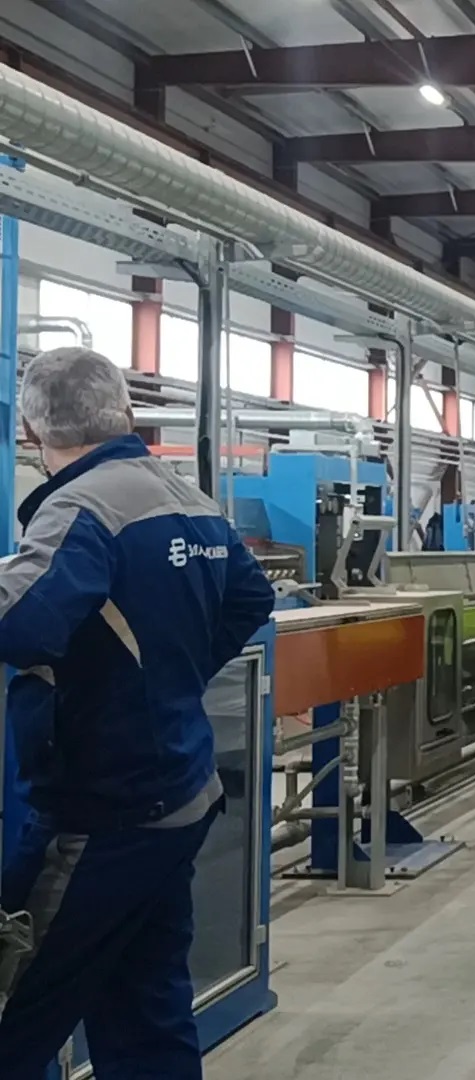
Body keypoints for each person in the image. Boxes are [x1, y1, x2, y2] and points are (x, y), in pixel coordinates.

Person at [0, 347, 276, 1078]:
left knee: (15, 1012)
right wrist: (172, 676)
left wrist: (144, 678)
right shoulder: (187, 497)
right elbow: (252, 596)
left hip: (101, 811)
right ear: (125, 412)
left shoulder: (80, 507)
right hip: (180, 797)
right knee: (144, 1011)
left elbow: (21, 624)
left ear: (30, 431)